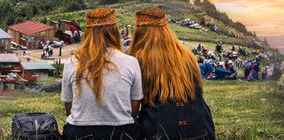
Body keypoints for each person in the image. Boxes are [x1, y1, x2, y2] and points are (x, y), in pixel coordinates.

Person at [129, 7, 215, 140]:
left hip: (161, 131)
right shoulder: (186, 54)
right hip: (200, 128)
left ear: (139, 32)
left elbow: (134, 104)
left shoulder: (139, 58)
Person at [61, 7, 142, 140]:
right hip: (121, 132)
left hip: (79, 132)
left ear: (87, 34)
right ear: (114, 32)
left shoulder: (71, 63)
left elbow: (68, 107)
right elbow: (134, 107)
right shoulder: (131, 62)